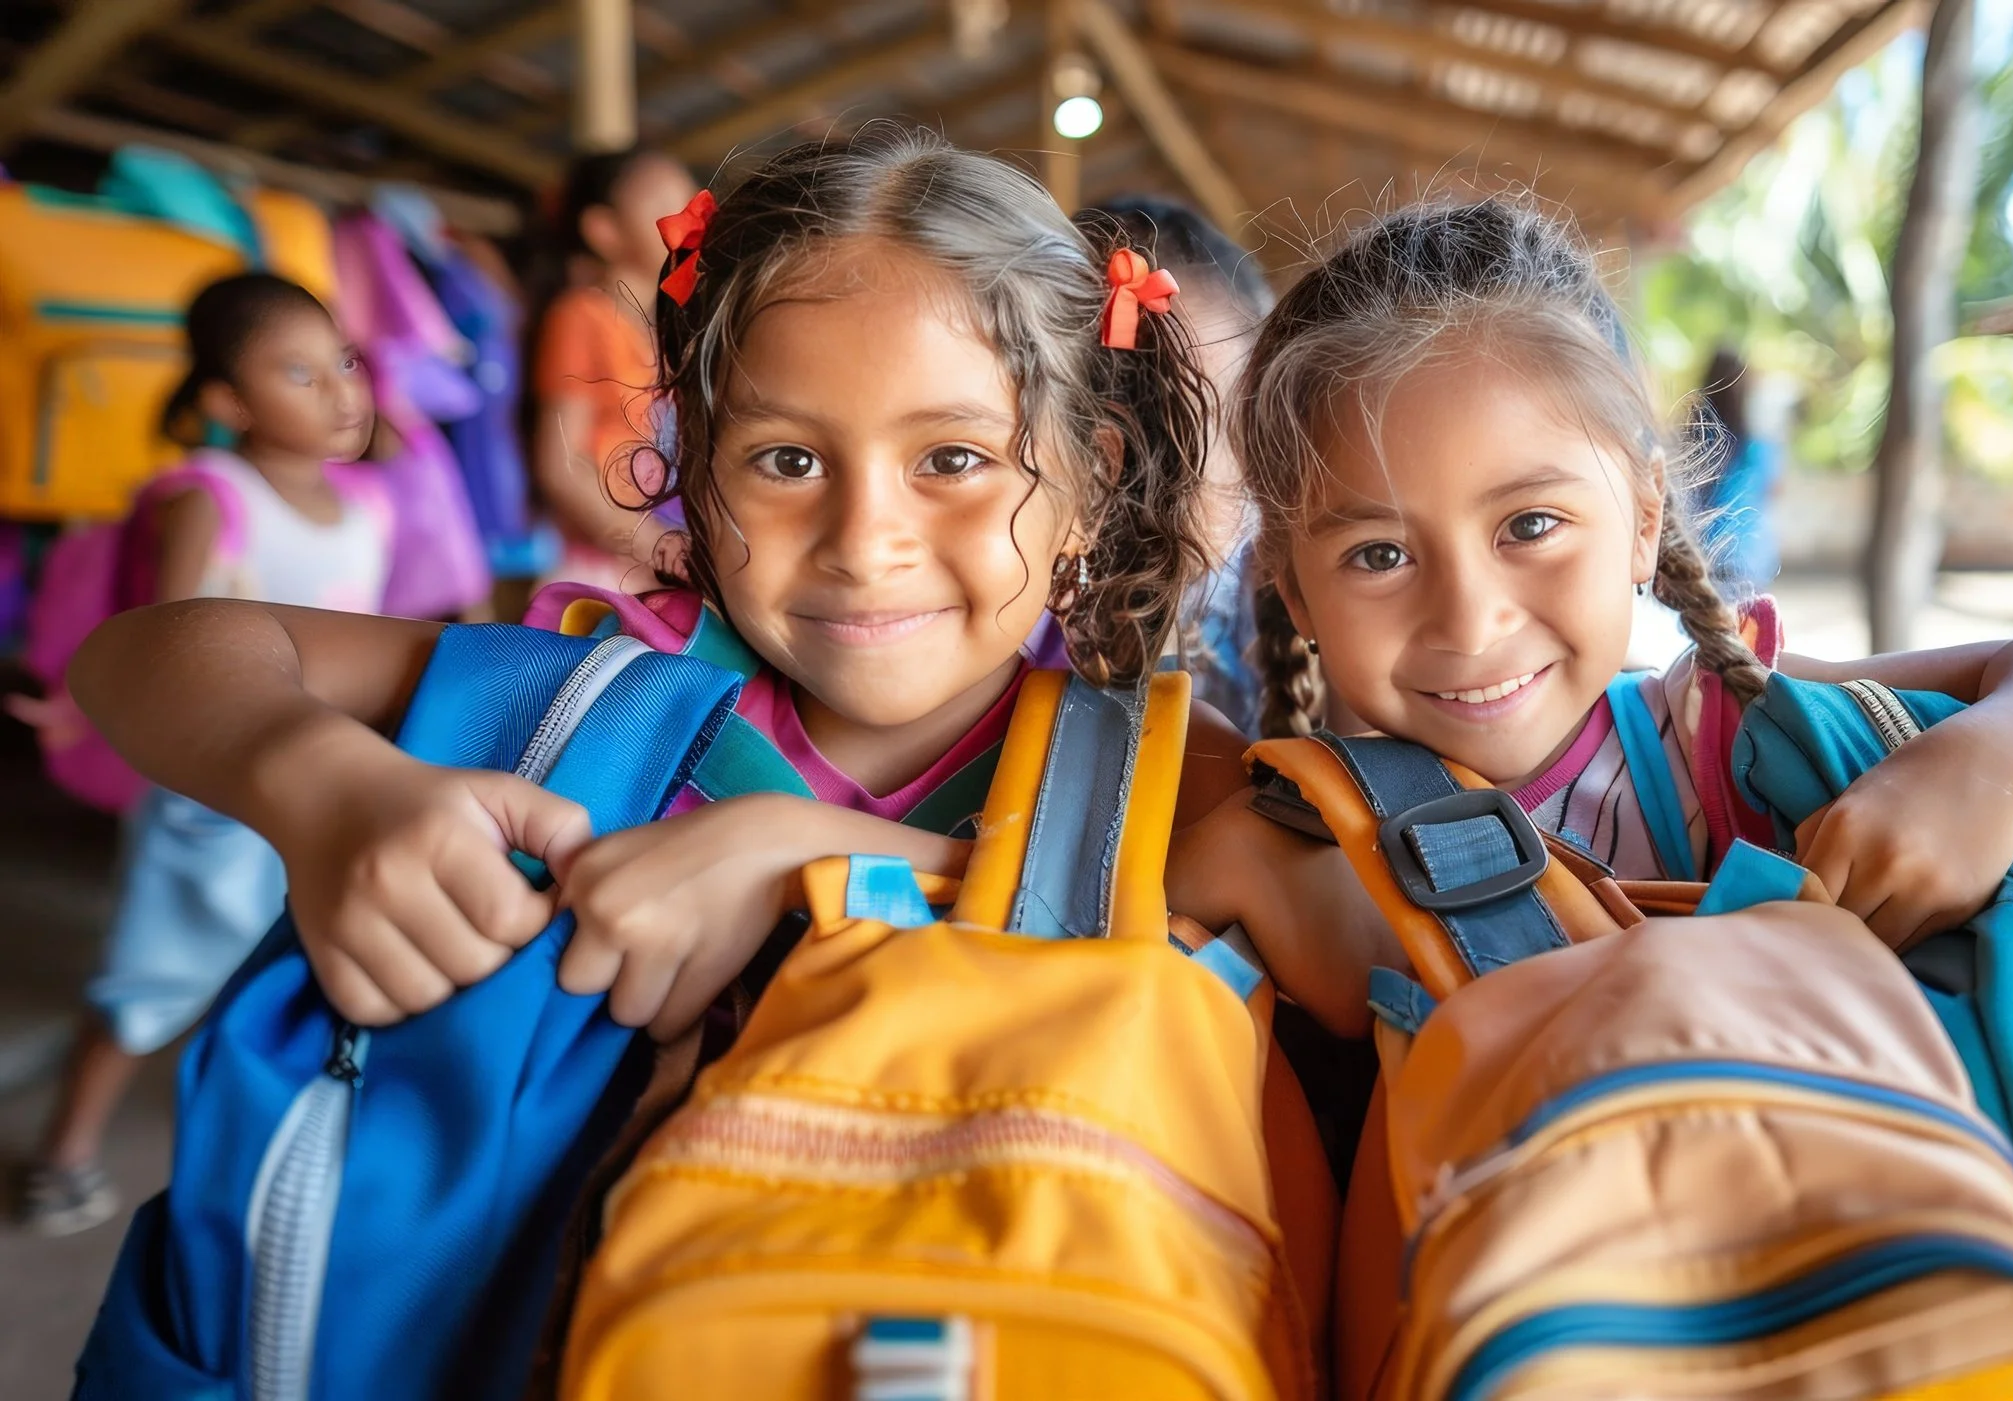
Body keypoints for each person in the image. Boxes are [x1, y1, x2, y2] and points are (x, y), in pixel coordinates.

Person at [69, 130, 1243, 1049]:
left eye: (952, 458)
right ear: (694, 472)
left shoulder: (1162, 772)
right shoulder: (594, 690)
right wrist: (323, 787)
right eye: (787, 461)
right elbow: (148, 653)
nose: (862, 541)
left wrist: (795, 851)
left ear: (1091, 483)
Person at [1165, 200, 2013, 1036]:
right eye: (1380, 555)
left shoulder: (1717, 740)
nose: (1468, 622)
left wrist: (1979, 775)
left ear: (1644, 522)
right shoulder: (1280, 838)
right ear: (1295, 589)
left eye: (1530, 525)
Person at [15, 273, 388, 1234]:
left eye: (344, 361)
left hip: (320, 785)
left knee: (296, 974)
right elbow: (164, 647)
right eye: (298, 373)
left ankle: (264, 1175)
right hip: (208, 799)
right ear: (228, 400)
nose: (340, 390)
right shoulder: (211, 498)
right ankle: (65, 1151)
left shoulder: (371, 507)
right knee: (152, 972)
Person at [1078, 195, 1275, 733]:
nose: (1145, 473)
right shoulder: (1021, 614)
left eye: (1190, 420)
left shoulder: (1292, 601)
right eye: (1093, 421)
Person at [529, 148, 700, 591]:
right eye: (664, 201)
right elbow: (561, 464)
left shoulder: (668, 327)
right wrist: (655, 545)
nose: (690, 216)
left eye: (691, 199)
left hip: (660, 563)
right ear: (604, 230)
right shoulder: (581, 315)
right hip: (608, 573)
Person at [1696, 346, 1782, 592]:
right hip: (1748, 556)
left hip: (1701, 554)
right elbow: (1773, 489)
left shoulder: (1693, 441)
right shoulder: (1757, 446)